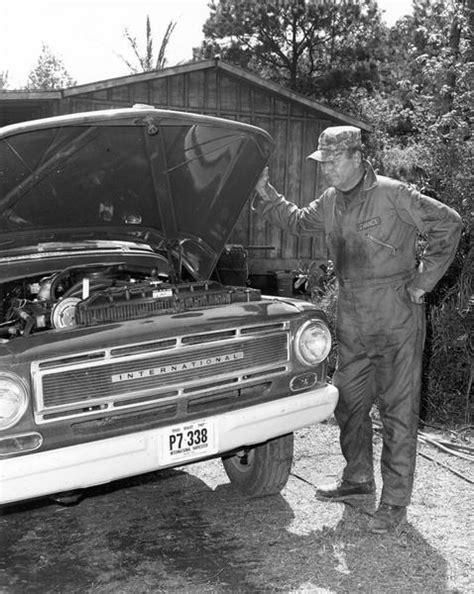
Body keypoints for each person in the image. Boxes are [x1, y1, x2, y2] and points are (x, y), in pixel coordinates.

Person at [255, 126, 463, 533]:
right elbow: (297, 222)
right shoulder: (332, 201)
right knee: (347, 401)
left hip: (395, 315)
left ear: (356, 156)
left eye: (332, 161)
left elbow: (449, 224)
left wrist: (424, 281)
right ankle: (357, 479)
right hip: (352, 317)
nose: (326, 169)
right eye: (323, 162)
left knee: (398, 412)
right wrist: (266, 194)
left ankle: (394, 503)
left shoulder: (394, 194)